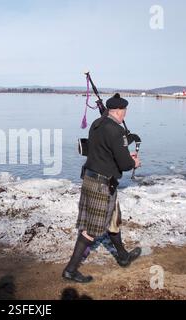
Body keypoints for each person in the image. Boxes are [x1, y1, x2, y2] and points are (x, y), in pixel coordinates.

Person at [63, 93, 142, 283]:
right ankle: (71, 270)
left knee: (113, 219)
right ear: (119, 111)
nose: (125, 115)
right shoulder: (116, 131)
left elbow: (102, 150)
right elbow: (123, 164)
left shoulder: (97, 124)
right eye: (124, 111)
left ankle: (123, 256)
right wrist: (133, 162)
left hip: (91, 179)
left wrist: (122, 154)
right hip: (102, 185)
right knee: (92, 228)